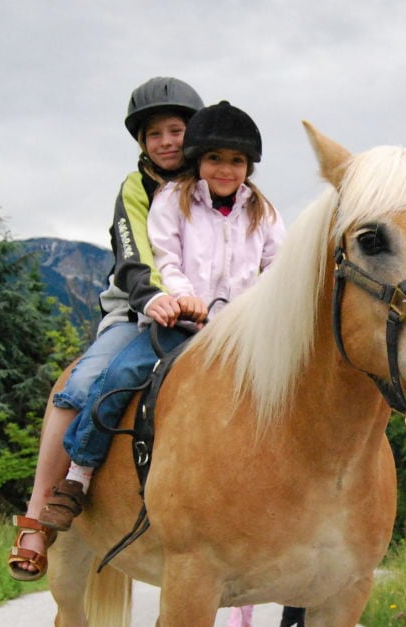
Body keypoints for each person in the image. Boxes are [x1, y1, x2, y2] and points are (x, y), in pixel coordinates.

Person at [40, 101, 286, 531]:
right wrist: (182, 298)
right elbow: (165, 258)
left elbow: (277, 267)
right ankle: (78, 474)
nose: (225, 169)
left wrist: (256, 311)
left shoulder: (262, 212)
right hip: (181, 324)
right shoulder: (175, 199)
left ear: (250, 166)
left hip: (238, 333)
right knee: (119, 376)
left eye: (237, 161)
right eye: (214, 158)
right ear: (198, 160)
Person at [8, 77, 203, 581]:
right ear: (142, 142)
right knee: (78, 386)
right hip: (139, 312)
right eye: (154, 133)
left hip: (212, 314)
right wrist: (156, 297)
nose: (166, 141)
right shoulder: (135, 188)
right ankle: (38, 516)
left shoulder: (218, 181)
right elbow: (132, 254)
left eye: (176, 130)